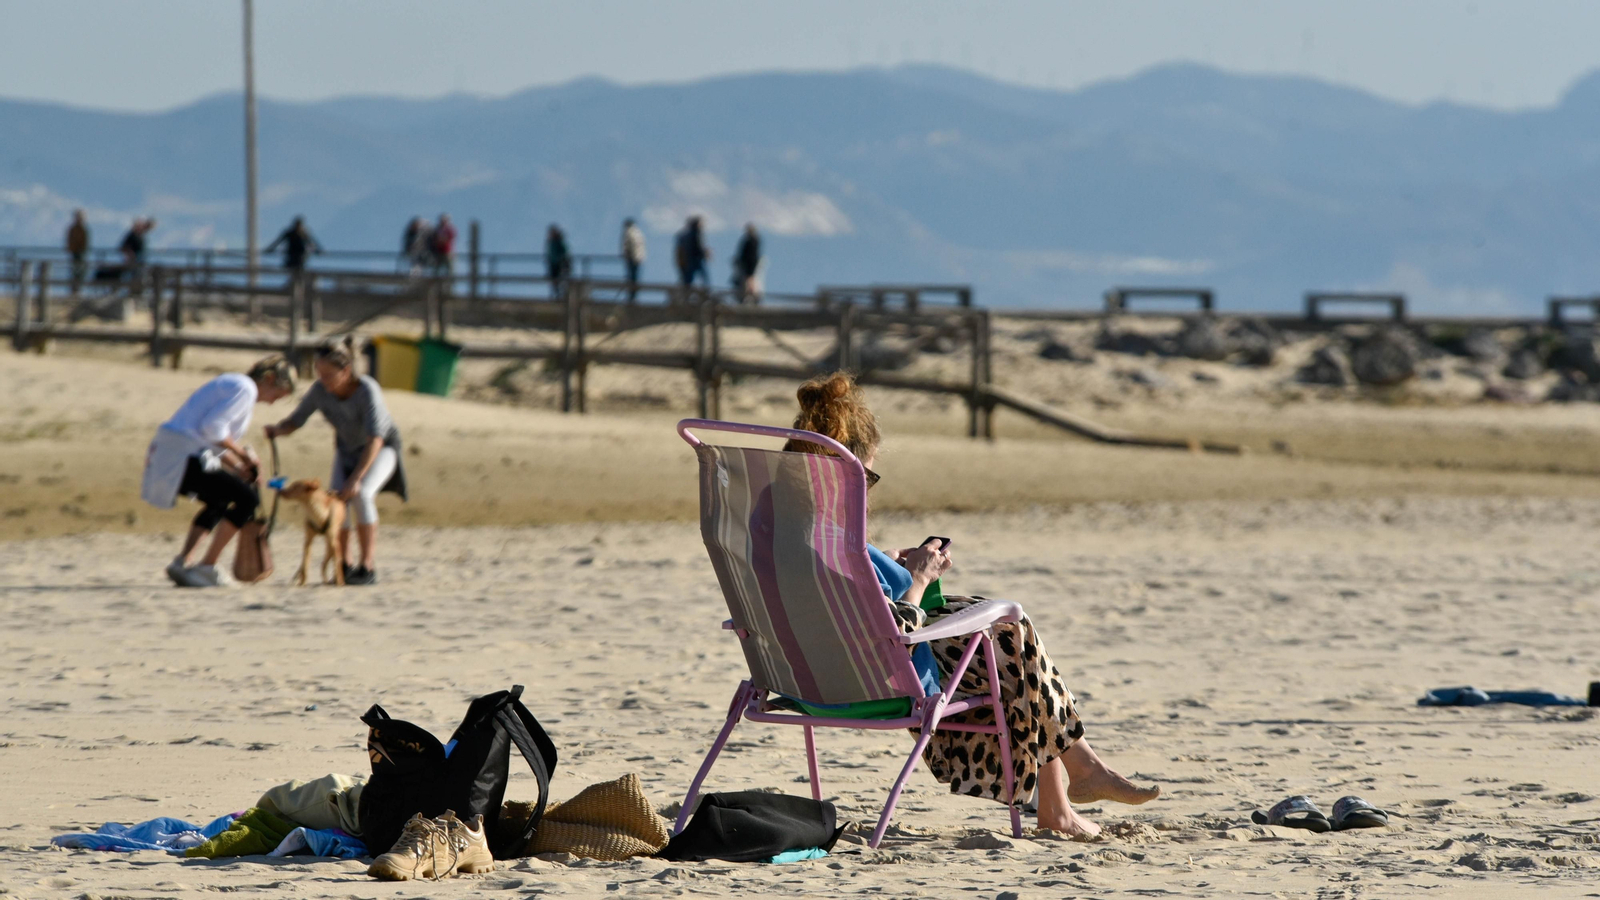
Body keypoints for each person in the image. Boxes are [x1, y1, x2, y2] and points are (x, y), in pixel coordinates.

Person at [783, 373, 1159, 838]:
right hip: (872, 681)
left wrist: (889, 562)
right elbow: (893, 628)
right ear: (846, 471)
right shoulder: (839, 540)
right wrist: (920, 576)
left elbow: (845, 596)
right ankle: (1075, 780)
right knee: (1009, 631)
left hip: (795, 676)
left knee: (1005, 649)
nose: (870, 487)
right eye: (869, 475)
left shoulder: (782, 529)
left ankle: (1069, 791)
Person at [140, 356, 295, 588]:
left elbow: (212, 440)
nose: (272, 403)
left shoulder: (234, 384)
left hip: (172, 453)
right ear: (269, 379)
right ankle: (206, 566)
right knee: (248, 499)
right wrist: (244, 456)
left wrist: (240, 468)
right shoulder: (245, 388)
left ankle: (182, 562)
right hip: (184, 455)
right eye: (277, 395)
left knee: (221, 499)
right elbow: (213, 429)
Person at [265, 336, 407, 586]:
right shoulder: (320, 391)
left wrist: (355, 479)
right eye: (320, 374)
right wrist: (278, 429)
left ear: (346, 371)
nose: (324, 381)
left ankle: (367, 566)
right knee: (338, 502)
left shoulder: (367, 390)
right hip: (347, 450)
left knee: (361, 495)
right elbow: (296, 420)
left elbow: (375, 439)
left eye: (329, 375)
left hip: (382, 449)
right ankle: (345, 565)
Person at [674, 216, 710, 292]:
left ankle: (686, 292)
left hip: (689, 260)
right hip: (694, 259)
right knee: (702, 277)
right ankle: (706, 292)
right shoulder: (695, 234)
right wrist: (704, 254)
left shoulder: (685, 235)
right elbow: (698, 247)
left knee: (688, 279)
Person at [732, 223, 762, 304]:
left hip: (748, 264)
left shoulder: (750, 240)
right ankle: (753, 296)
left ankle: (750, 296)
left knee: (748, 280)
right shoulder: (755, 240)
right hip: (751, 263)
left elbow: (746, 253)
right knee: (750, 280)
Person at [65, 210, 90, 295]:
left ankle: (78, 290)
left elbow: (85, 243)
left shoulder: (83, 229)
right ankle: (74, 290)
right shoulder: (73, 229)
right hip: (75, 254)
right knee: (75, 272)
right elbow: (70, 241)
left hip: (81, 255)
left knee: (81, 273)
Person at [620, 218, 645, 303]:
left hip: (631, 257)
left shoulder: (628, 232)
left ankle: (631, 297)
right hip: (639, 258)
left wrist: (624, 254)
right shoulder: (638, 232)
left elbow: (626, 245)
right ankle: (634, 296)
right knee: (635, 278)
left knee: (630, 278)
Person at [545, 224, 571, 298]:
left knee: (561, 279)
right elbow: (550, 254)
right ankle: (557, 294)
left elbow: (564, 251)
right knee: (555, 280)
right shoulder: (551, 242)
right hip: (553, 263)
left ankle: (562, 294)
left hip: (559, 263)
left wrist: (564, 260)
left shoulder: (558, 241)